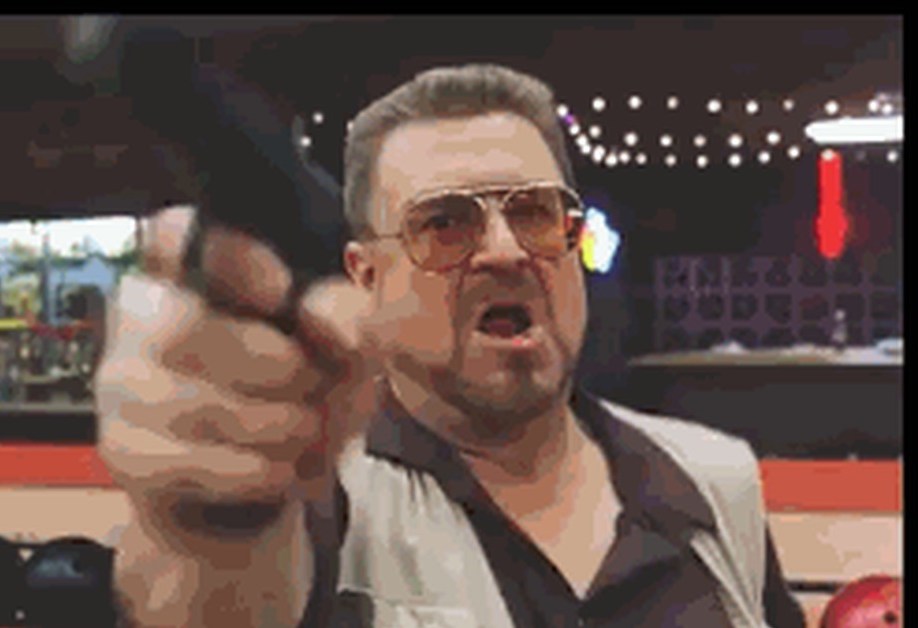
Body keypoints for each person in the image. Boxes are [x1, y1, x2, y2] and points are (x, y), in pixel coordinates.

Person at [95, 63, 806, 627]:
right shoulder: (323, 494)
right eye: (444, 224)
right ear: (366, 277)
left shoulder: (713, 479)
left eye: (535, 213)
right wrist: (213, 525)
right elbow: (220, 591)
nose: (506, 251)